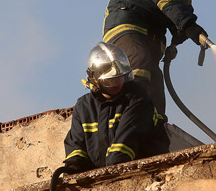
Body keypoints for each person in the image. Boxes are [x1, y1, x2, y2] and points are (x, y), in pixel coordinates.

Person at [63, 42, 170, 172]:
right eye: (111, 81)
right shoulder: (84, 107)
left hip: (145, 173)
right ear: (95, 79)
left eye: (120, 78)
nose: (118, 84)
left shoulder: (137, 99)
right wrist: (74, 166)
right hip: (105, 176)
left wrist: (110, 174)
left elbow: (124, 146)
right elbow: (75, 145)